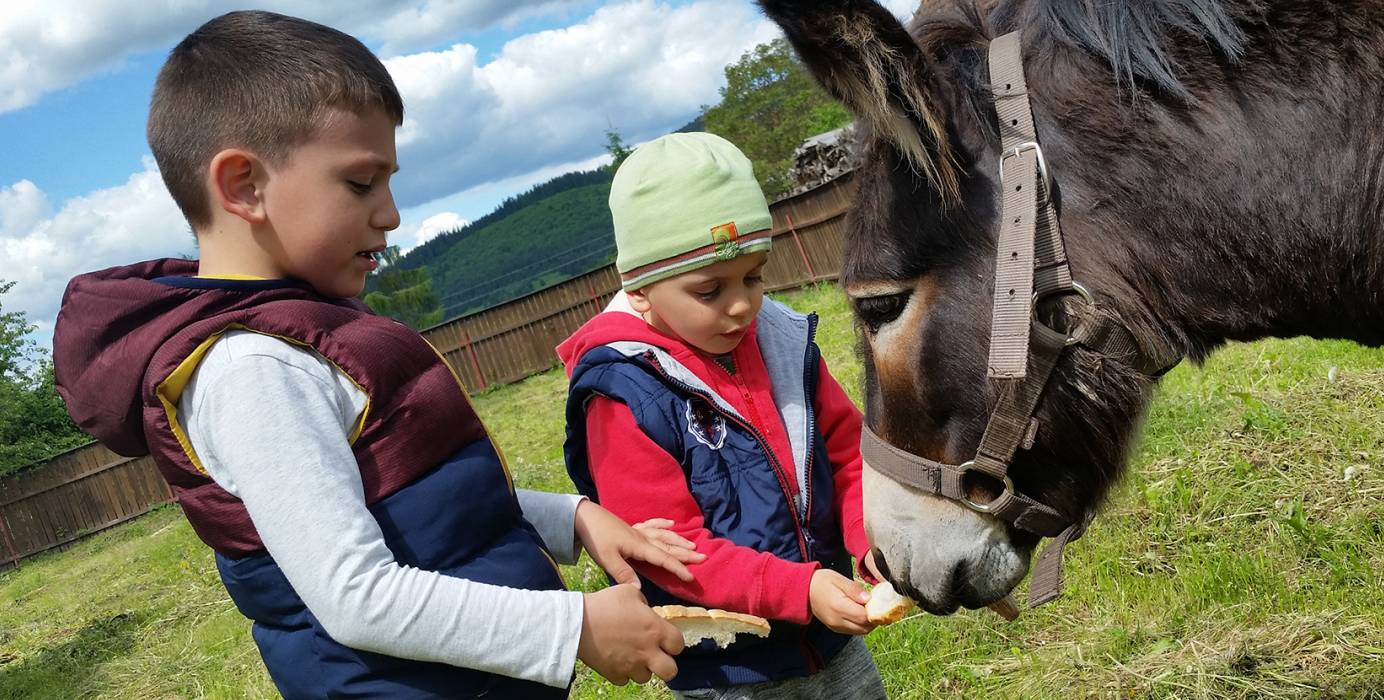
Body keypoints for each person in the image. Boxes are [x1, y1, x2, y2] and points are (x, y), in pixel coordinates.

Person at [52, 11, 693, 698]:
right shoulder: (253, 369)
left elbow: (422, 513)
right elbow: (357, 597)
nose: (390, 212)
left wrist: (569, 518)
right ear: (243, 185)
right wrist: (571, 629)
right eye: (361, 183)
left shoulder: (302, 330)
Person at [558, 132, 888, 699]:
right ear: (640, 291)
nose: (741, 304)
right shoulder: (624, 395)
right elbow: (670, 552)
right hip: (729, 670)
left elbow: (846, 452)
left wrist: (869, 538)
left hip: (830, 643)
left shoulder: (782, 345)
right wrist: (797, 589)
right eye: (709, 289)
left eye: (754, 276)